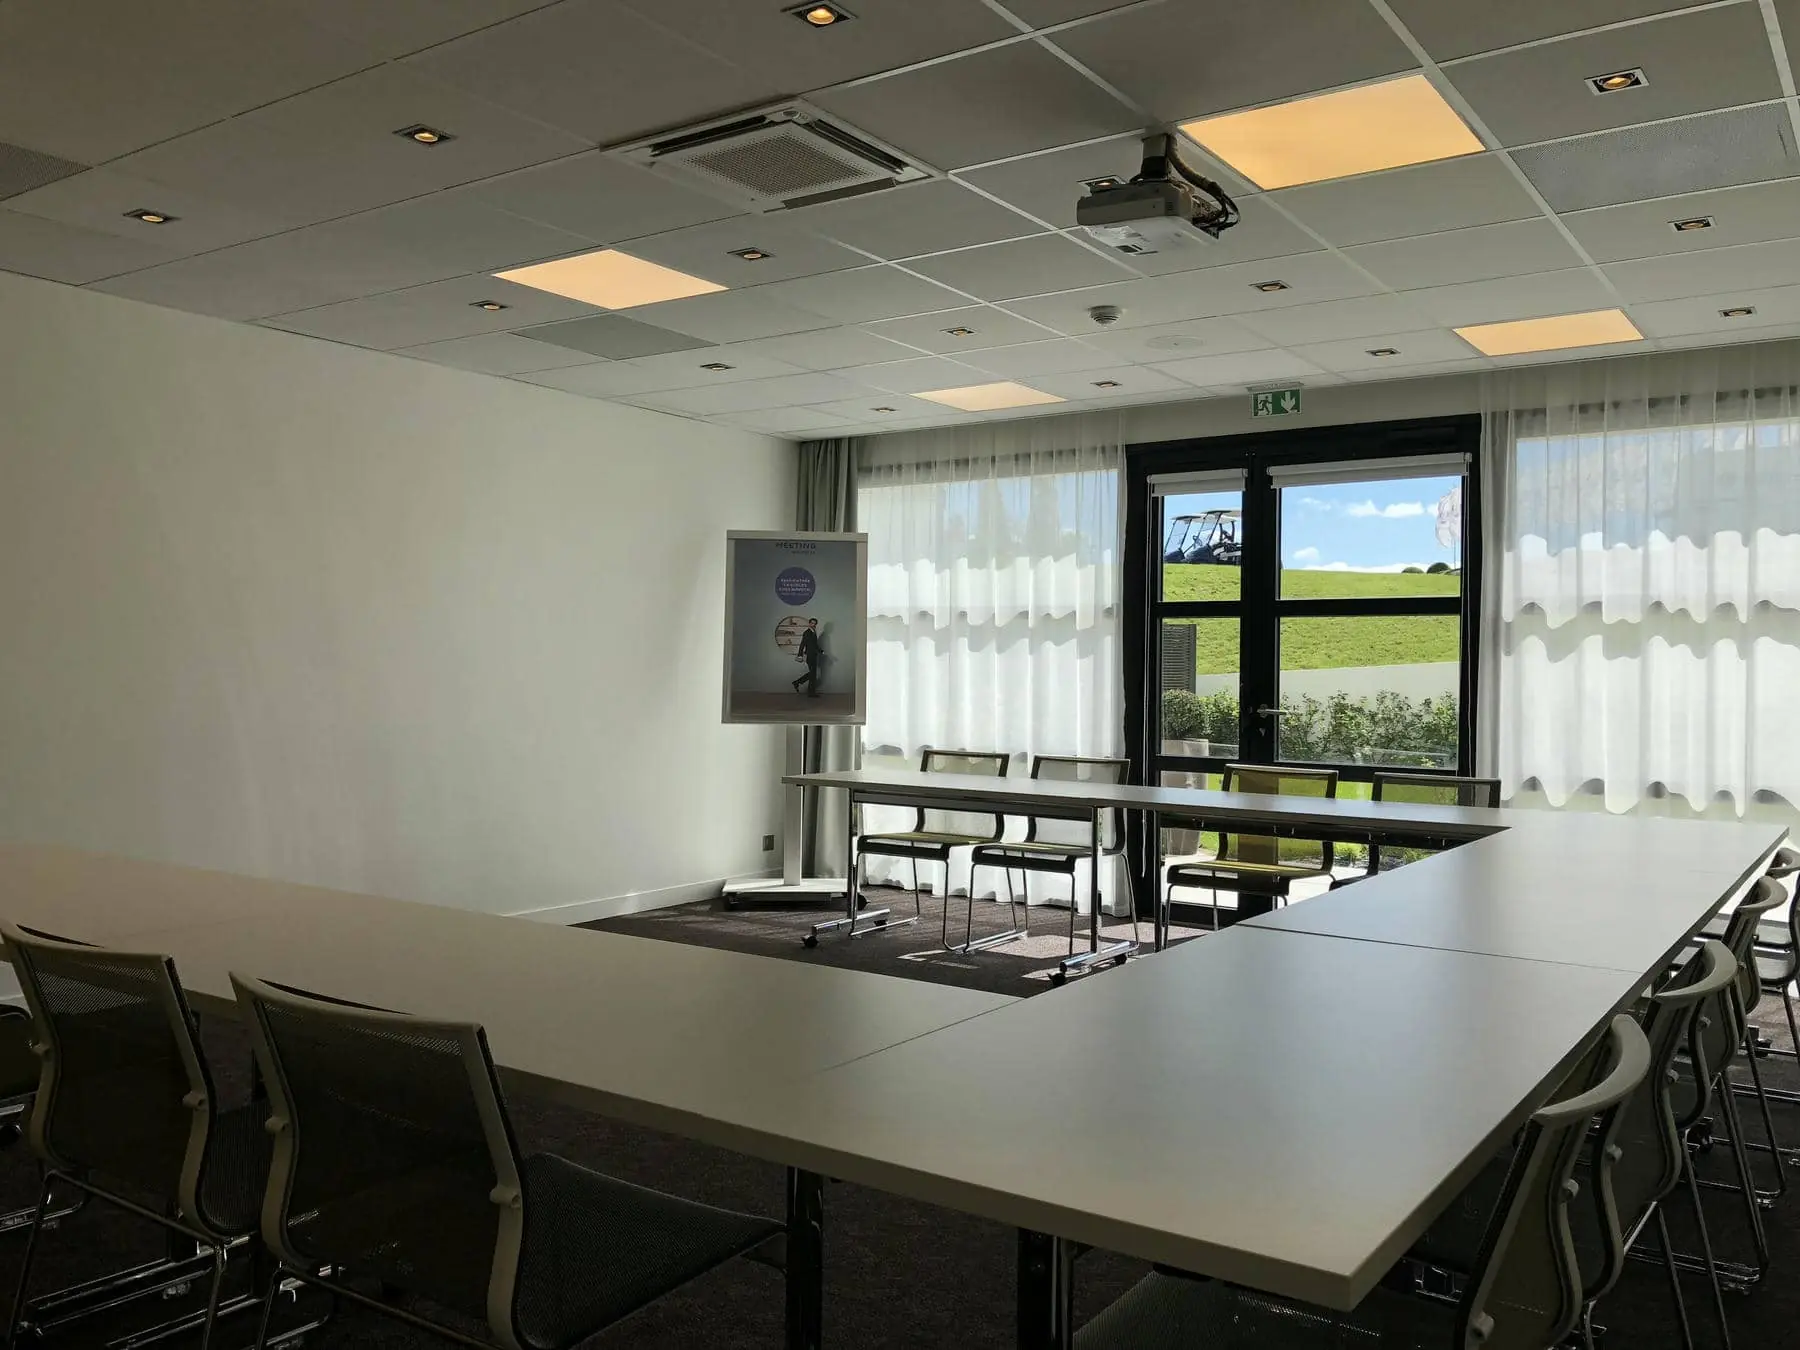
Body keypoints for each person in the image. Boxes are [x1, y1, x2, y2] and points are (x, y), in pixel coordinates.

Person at [792, 618, 823, 698]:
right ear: (809, 624)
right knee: (813, 674)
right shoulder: (807, 632)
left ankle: (798, 683)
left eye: (815, 623)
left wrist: (821, 651)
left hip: (814, 655)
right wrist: (800, 655)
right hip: (809, 655)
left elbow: (815, 645)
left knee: (812, 674)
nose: (813, 625)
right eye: (812, 623)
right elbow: (802, 644)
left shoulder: (813, 632)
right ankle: (810, 692)